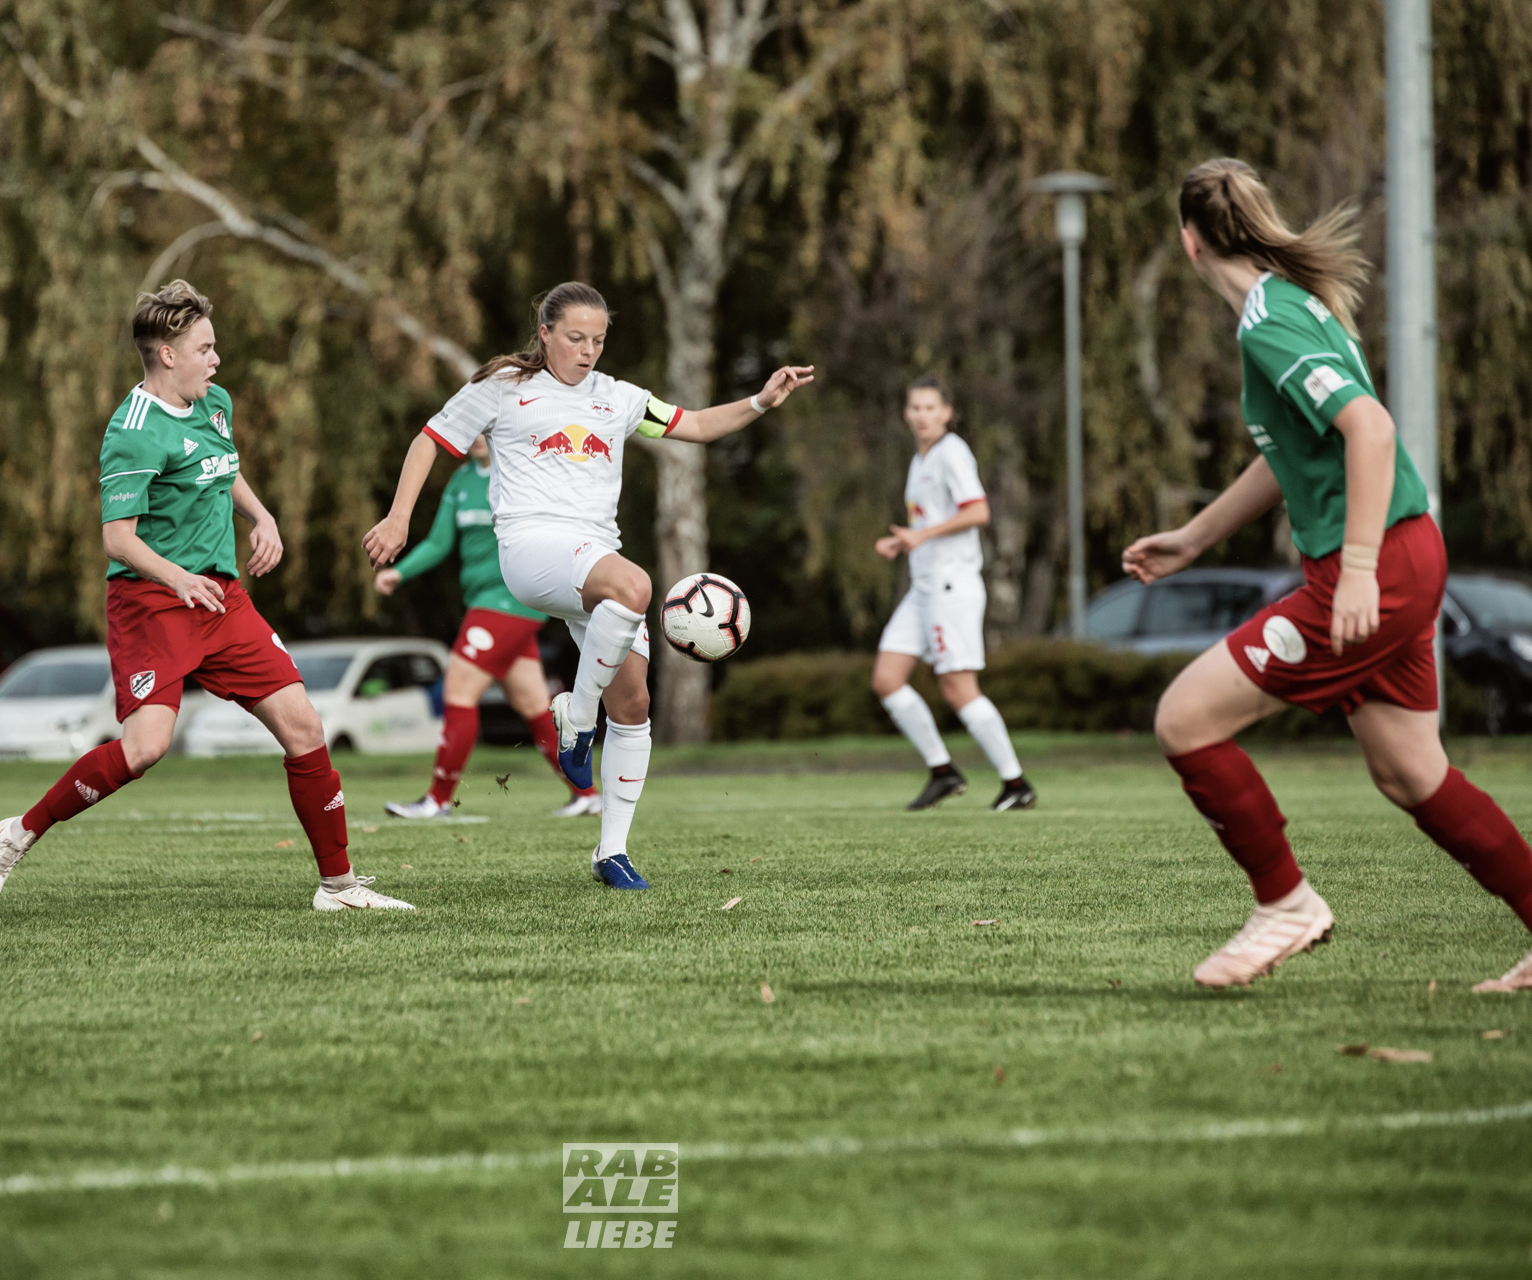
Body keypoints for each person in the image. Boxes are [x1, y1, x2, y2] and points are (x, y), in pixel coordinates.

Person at [1124, 158, 1532, 991]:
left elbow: (1368, 430)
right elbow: (1295, 454)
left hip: (1375, 565)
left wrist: (1360, 570)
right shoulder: (1293, 305)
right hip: (1405, 553)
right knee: (1412, 772)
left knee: (1184, 720)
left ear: (1188, 242)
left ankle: (1286, 905)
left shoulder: (1271, 320)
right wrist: (1195, 536)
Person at [0, 280, 410, 911]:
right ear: (168, 354)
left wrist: (264, 517)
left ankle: (338, 888)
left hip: (223, 600)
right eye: (205, 347)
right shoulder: (132, 432)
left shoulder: (213, 402)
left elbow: (223, 468)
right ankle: (17, 835)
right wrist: (176, 577)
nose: (216, 359)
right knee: (146, 749)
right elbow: (117, 540)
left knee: (306, 726)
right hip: (152, 606)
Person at [363, 282, 813, 889]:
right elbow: (428, 440)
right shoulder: (503, 389)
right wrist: (398, 518)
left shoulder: (619, 398)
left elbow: (699, 426)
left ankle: (612, 852)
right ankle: (575, 716)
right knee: (636, 585)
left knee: (632, 706)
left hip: (593, 560)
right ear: (545, 332)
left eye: (598, 340)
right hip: (529, 549)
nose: (588, 350)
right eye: (575, 337)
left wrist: (761, 401)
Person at [374, 434, 602, 820]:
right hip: (486, 604)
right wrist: (400, 573)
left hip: (510, 601)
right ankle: (587, 794)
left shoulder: (520, 474)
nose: (478, 436)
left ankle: (438, 798)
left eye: (487, 427)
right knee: (533, 705)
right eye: (472, 427)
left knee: (458, 687)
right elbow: (438, 541)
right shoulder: (461, 481)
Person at [871, 378, 1035, 812]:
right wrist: (905, 541)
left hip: (952, 586)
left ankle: (1016, 784)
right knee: (887, 679)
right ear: (907, 414)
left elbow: (978, 511)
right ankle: (943, 772)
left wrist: (920, 536)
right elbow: (929, 520)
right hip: (923, 588)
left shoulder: (952, 452)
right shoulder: (920, 459)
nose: (922, 415)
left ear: (946, 412)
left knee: (959, 689)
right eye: (915, 407)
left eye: (930, 407)